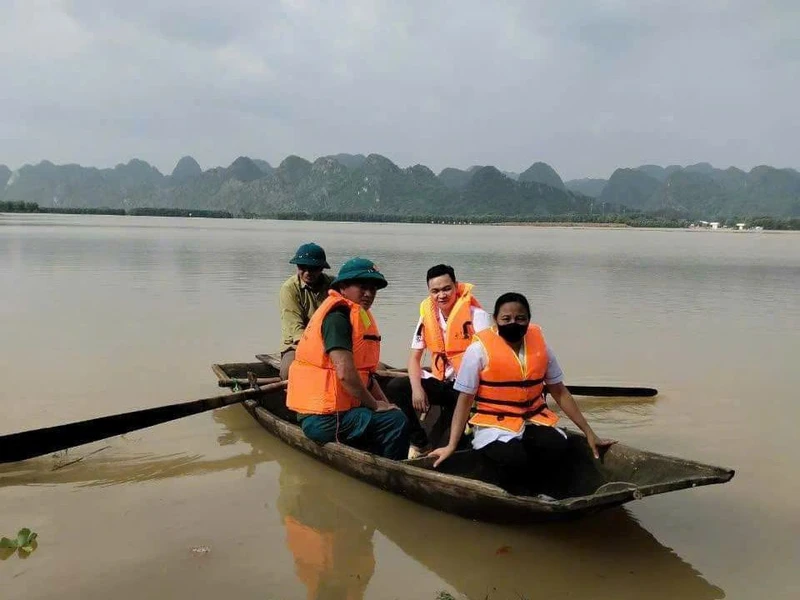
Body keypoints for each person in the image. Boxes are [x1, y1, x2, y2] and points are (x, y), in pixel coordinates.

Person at [428, 292, 616, 496]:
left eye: (520, 318)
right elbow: (464, 401)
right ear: (495, 320)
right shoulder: (478, 350)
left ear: (528, 319)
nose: (513, 323)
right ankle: (514, 490)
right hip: (494, 424)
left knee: (558, 445)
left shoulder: (540, 346)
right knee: (512, 457)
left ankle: (544, 490)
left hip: (533, 419)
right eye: (506, 319)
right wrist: (451, 445)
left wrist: (590, 433)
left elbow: (560, 391)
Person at [286, 257, 409, 460]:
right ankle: (394, 472)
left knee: (393, 412)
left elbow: (366, 376)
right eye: (362, 287)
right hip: (322, 418)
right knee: (395, 422)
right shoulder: (337, 318)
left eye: (373, 289)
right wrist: (376, 406)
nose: (369, 294)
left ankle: (385, 459)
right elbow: (344, 373)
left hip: (340, 410)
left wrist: (384, 404)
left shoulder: (358, 316)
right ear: (343, 287)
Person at [386, 264, 491, 458]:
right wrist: (417, 388)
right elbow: (414, 358)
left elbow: (490, 359)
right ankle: (420, 443)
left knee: (459, 444)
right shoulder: (427, 316)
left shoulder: (477, 317)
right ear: (429, 292)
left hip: (469, 390)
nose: (441, 295)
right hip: (442, 383)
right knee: (395, 387)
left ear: (456, 286)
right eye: (435, 291)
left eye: (446, 289)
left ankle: (461, 438)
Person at [279, 242, 334, 379]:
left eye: (313, 268)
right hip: (297, 345)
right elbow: (296, 329)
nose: (308, 272)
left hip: (332, 343)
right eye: (303, 267)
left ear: (322, 268)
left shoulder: (334, 286)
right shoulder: (289, 289)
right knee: (288, 371)